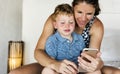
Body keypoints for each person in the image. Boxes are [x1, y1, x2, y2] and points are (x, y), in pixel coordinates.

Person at [9, 0, 120, 74]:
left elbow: (90, 57)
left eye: (89, 14)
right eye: (79, 12)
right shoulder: (57, 19)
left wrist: (98, 63)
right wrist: (55, 64)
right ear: (73, 8)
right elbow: (38, 51)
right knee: (14, 73)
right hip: (53, 62)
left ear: (95, 12)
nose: (83, 18)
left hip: (78, 66)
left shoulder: (96, 26)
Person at [42, 3, 86, 74]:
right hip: (60, 71)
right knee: (47, 71)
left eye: (71, 22)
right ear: (55, 25)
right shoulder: (52, 41)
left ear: (75, 24)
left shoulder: (79, 38)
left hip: (76, 70)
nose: (67, 26)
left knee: (96, 71)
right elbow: (51, 62)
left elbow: (83, 57)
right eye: (62, 23)